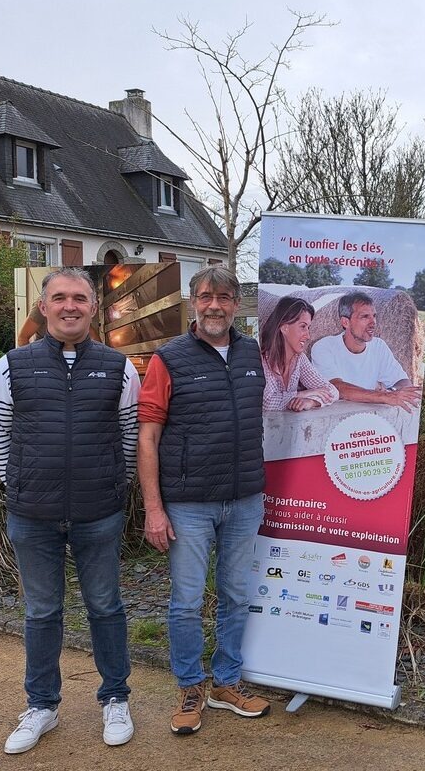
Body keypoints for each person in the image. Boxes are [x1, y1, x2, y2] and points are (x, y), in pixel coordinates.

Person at [0, 268, 139, 754]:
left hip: (99, 513)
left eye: (79, 298)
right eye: (59, 298)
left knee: (105, 607)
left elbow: (130, 437)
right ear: (44, 307)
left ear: (93, 308)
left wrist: (115, 485)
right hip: (33, 515)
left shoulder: (119, 368)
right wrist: (25, 485)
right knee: (42, 611)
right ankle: (42, 706)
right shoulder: (12, 365)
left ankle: (115, 698)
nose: (69, 306)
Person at [137, 265, 271, 736]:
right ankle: (191, 685)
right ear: (192, 302)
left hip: (245, 499)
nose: (216, 305)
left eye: (225, 297)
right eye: (206, 296)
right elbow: (148, 437)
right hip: (189, 504)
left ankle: (227, 682)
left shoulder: (253, 353)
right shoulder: (169, 358)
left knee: (237, 595)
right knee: (187, 601)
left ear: (237, 304)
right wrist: (154, 508)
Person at [310, 291, 421, 411]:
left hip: (368, 418)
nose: (373, 323)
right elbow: (337, 388)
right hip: (332, 418)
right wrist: (383, 396)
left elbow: (403, 382)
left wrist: (391, 391)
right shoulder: (323, 347)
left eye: (374, 316)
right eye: (365, 317)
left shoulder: (379, 346)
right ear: (345, 322)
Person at [260, 296, 338, 412]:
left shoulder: (299, 359)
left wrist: (312, 401)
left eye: (308, 327)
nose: (308, 336)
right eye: (303, 327)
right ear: (284, 328)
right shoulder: (262, 359)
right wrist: (305, 393)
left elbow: (332, 391)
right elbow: (268, 402)